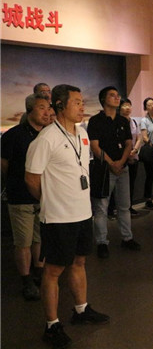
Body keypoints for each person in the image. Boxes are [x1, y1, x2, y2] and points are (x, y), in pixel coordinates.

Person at [25, 84, 109, 349]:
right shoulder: (46, 138)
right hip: (58, 217)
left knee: (79, 261)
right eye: (77, 102)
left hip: (82, 213)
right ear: (60, 105)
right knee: (53, 270)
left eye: (82, 102)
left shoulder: (82, 134)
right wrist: (50, 200)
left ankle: (81, 309)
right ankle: (51, 325)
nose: (82, 107)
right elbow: (31, 179)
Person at [1, 93, 52, 301]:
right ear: (29, 110)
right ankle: (26, 281)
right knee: (23, 241)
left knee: (39, 238)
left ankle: (39, 272)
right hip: (20, 195)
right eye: (41, 107)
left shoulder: (48, 135)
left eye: (48, 108)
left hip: (43, 196)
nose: (46, 112)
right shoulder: (13, 135)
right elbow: (4, 164)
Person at [87, 86, 141, 259]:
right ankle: (102, 242)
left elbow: (128, 143)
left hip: (122, 169)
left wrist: (121, 162)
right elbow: (95, 146)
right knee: (101, 208)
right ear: (103, 99)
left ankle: (127, 238)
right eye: (112, 95)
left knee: (124, 206)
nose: (117, 98)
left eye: (118, 95)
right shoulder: (95, 121)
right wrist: (111, 163)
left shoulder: (123, 121)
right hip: (103, 170)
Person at [119, 98, 143, 216]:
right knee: (120, 185)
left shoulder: (133, 122)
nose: (127, 108)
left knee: (131, 183)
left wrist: (135, 150)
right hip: (122, 158)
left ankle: (129, 206)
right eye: (124, 105)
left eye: (129, 105)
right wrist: (127, 153)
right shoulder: (117, 122)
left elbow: (139, 138)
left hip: (134, 156)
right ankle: (115, 208)